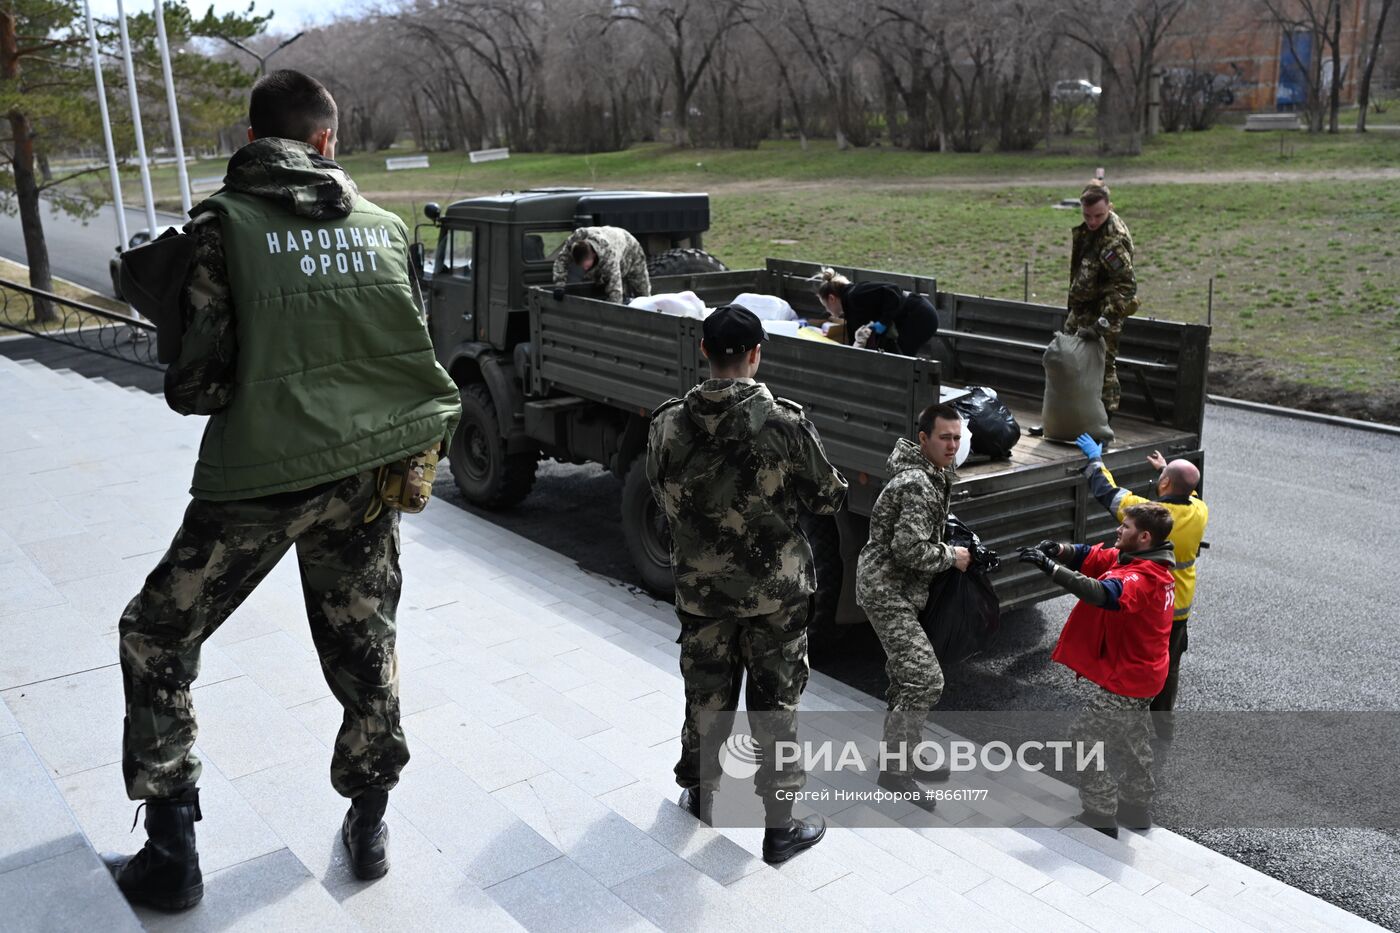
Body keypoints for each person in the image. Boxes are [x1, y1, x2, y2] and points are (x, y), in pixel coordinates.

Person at [102, 70, 462, 911]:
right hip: (366, 475)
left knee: (157, 632)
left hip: (264, 474)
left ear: (256, 137)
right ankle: (369, 824)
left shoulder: (222, 229)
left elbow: (197, 386)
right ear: (327, 142)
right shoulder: (382, 228)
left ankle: (173, 850)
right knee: (364, 642)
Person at [646, 303, 848, 864]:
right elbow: (829, 497)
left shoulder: (666, 423)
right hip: (776, 597)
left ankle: (701, 794)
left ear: (704, 352)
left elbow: (661, 494)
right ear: (757, 355)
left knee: (705, 695)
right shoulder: (784, 424)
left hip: (700, 590)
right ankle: (779, 828)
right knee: (775, 704)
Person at [1018, 503, 1176, 837]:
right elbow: (1097, 557)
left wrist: (1051, 568)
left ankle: (1101, 811)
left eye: (1126, 526)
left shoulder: (1144, 578)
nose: (1119, 530)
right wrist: (1060, 550)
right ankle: (1135, 808)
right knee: (1132, 738)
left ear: (1144, 536)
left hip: (1130, 679)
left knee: (1083, 738)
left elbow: (1104, 593)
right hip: (1146, 675)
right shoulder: (1142, 560)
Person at [855, 403, 971, 805]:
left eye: (957, 437)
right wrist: (951, 556)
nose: (953, 445)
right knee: (925, 679)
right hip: (887, 589)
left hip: (900, 589)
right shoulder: (919, 482)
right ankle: (895, 773)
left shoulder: (934, 474)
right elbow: (908, 548)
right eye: (945, 437)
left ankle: (899, 757)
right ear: (924, 439)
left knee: (905, 677)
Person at [1075, 435, 1208, 740]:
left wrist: (1095, 459)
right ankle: (1164, 726)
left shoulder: (1148, 513)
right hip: (1179, 606)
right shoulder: (1200, 511)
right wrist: (1167, 471)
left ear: (1162, 486)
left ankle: (1127, 723)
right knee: (1169, 666)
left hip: (1149, 606)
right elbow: (1187, 489)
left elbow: (1106, 492)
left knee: (1136, 663)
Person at [1064, 181, 1138, 415]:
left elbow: (1127, 287)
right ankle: (1067, 419)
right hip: (1083, 309)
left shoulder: (1113, 241)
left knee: (1103, 367)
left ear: (1110, 207)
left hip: (1107, 312)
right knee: (1066, 357)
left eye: (1098, 215)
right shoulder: (1090, 231)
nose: (1092, 221)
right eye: (1087, 215)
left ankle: (1104, 424)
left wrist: (1102, 324)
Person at [815, 268, 940, 357]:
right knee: (897, 358)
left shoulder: (856, 294)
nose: (828, 311)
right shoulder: (851, 306)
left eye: (826, 306)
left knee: (901, 361)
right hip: (915, 316)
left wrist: (883, 322)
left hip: (919, 315)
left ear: (832, 298)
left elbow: (893, 291)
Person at [551, 225, 651, 304]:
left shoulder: (608, 254)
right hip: (606, 238)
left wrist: (614, 313)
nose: (583, 268)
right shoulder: (573, 242)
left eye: (585, 265)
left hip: (629, 247)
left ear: (593, 255)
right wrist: (559, 285)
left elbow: (615, 289)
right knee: (600, 283)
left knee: (641, 291)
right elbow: (561, 261)